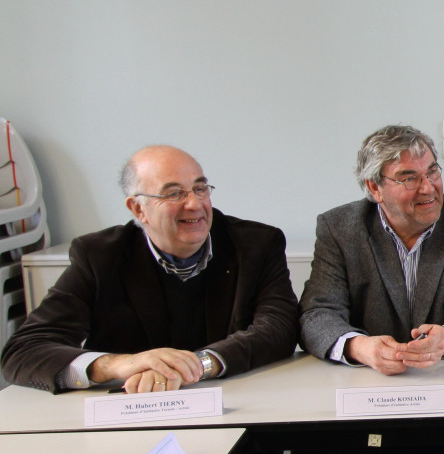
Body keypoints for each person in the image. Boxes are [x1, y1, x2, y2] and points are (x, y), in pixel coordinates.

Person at [1, 146, 298, 393]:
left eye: (200, 188)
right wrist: (117, 365)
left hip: (235, 400)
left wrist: (197, 365)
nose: (194, 204)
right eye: (173, 194)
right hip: (131, 410)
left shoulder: (256, 244)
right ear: (138, 209)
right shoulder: (100, 256)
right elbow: (23, 352)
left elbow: (280, 328)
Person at [299, 125, 444, 375]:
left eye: (432, 172)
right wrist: (360, 348)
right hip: (365, 380)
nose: (428, 188)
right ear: (374, 188)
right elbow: (317, 313)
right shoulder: (339, 229)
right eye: (409, 178)